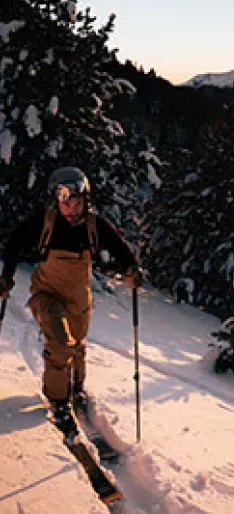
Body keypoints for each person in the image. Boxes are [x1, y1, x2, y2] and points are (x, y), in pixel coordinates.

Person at [0, 166, 143, 437]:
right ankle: (58, 399)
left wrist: (131, 270)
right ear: (57, 200)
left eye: (77, 202)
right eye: (66, 202)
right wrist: (6, 276)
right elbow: (13, 244)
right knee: (60, 343)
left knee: (77, 345)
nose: (71, 209)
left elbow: (119, 249)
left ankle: (76, 389)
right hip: (47, 294)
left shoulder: (94, 225)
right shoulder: (45, 222)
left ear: (85, 201)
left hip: (78, 297)